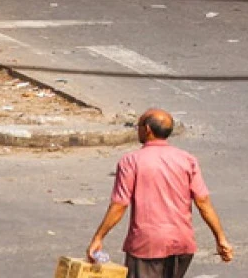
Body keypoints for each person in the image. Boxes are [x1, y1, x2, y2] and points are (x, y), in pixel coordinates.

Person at [87, 108, 235, 277]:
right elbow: (203, 203)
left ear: (147, 129)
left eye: (139, 126)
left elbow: (119, 205)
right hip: (181, 243)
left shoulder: (131, 161)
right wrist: (221, 239)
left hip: (147, 245)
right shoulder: (187, 159)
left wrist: (98, 237)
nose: (138, 130)